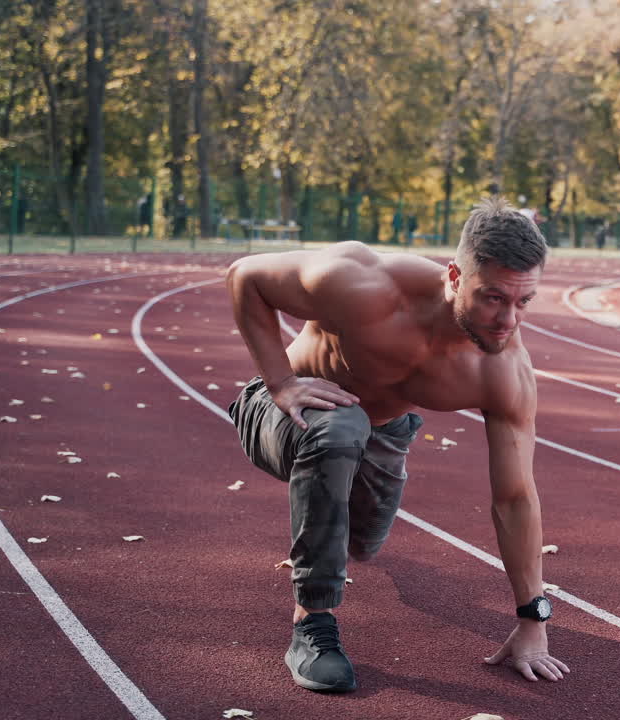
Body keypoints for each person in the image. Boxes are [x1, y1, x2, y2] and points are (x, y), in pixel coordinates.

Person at [225, 196, 569, 693]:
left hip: (382, 435)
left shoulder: (504, 371)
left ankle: (333, 522)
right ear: (454, 277)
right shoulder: (363, 284)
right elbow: (244, 276)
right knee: (339, 431)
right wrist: (280, 382)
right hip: (284, 413)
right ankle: (312, 625)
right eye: (493, 298)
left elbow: (514, 498)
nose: (507, 320)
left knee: (361, 542)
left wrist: (533, 620)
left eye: (523, 302)